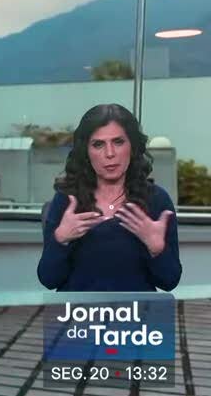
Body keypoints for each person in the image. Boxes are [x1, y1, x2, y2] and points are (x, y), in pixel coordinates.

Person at [37, 103, 181, 292]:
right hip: (78, 311)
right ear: (86, 151)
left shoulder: (155, 199)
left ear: (132, 146)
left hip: (135, 310)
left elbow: (170, 281)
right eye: (98, 144)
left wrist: (156, 248)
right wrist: (61, 239)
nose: (110, 153)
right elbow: (48, 279)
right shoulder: (68, 200)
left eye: (118, 142)